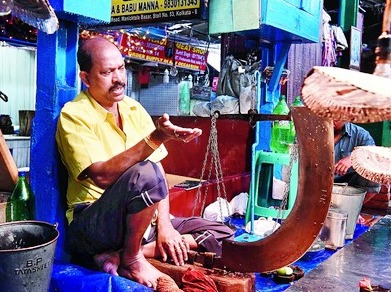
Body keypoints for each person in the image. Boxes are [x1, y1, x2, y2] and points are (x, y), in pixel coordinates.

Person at [55, 36, 234, 290]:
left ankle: (135, 249)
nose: (118, 78)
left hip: (138, 223)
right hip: (94, 223)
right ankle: (131, 258)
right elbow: (102, 176)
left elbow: (158, 172)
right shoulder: (74, 115)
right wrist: (156, 137)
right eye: (107, 72)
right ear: (85, 78)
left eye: (120, 68)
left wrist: (165, 228)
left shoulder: (134, 109)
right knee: (144, 173)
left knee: (223, 232)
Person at [333, 121, 380, 193]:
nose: (331, 119)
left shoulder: (360, 134)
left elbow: (373, 156)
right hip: (318, 180)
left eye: (336, 116)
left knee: (373, 174)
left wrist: (354, 157)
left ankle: (356, 203)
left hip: (349, 181)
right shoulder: (313, 132)